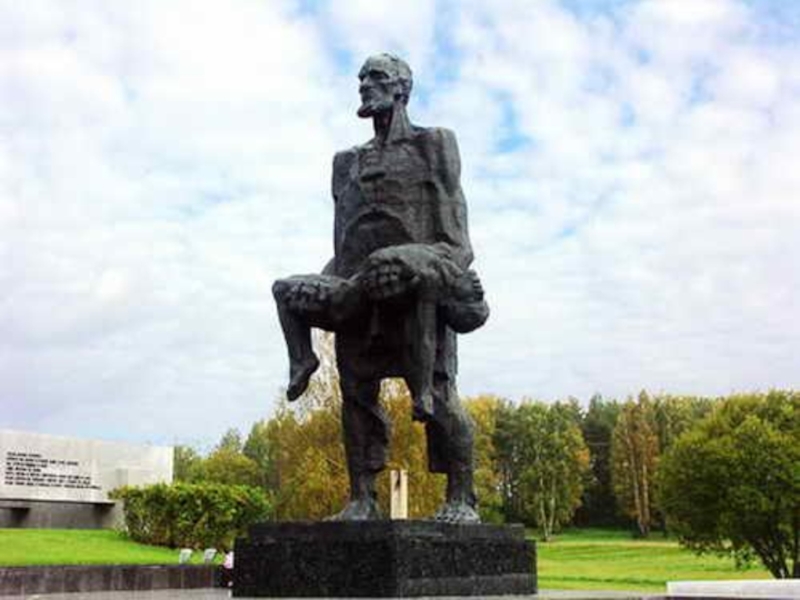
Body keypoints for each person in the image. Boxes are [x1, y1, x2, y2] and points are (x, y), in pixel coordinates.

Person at [272, 53, 488, 522]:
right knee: (355, 394)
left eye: (376, 77)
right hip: (357, 293)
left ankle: (461, 497)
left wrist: (413, 261)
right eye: (362, 78)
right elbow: (343, 242)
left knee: (438, 394)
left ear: (402, 89)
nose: (364, 85)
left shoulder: (433, 145)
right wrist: (329, 288)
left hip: (413, 293)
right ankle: (362, 498)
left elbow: (458, 243)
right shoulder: (345, 163)